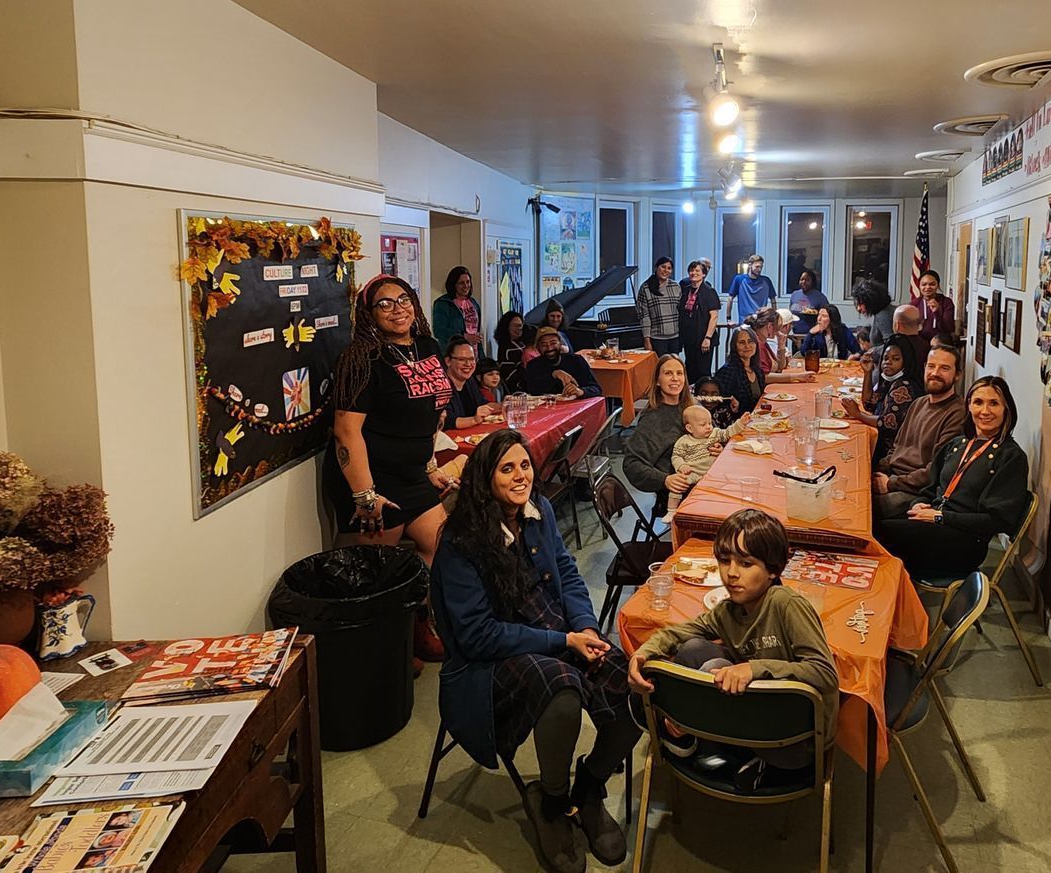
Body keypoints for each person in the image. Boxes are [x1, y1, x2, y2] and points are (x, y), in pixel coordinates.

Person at [430, 430, 637, 872]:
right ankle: (552, 801)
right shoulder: (461, 541)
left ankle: (589, 786)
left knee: (634, 682)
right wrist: (563, 641)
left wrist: (584, 626)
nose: (520, 475)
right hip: (490, 661)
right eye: (507, 468)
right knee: (561, 690)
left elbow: (567, 572)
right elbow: (477, 636)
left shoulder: (537, 509)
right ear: (484, 478)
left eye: (524, 465)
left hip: (553, 630)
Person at [629, 509, 838, 789]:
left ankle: (707, 742)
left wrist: (754, 668)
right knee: (693, 649)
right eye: (725, 560)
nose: (731, 573)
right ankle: (690, 731)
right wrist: (642, 653)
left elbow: (825, 673)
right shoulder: (728, 611)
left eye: (746, 563)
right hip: (757, 720)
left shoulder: (786, 604)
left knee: (712, 668)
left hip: (797, 740)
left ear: (773, 570)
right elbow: (681, 632)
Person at [330, 275, 456, 661]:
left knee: (441, 546)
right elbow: (346, 432)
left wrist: (429, 464)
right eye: (384, 304)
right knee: (380, 571)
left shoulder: (427, 346)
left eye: (404, 300)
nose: (397, 309)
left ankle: (416, 622)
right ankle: (387, 649)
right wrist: (365, 496)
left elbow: (431, 413)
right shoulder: (362, 358)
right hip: (373, 478)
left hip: (412, 474)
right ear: (368, 313)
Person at [874, 376, 1031, 582]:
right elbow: (930, 489)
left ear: (1007, 409)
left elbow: (997, 520)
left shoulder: (1011, 457)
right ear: (969, 406)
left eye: (994, 403)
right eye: (978, 402)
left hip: (965, 542)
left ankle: (892, 598)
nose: (985, 411)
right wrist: (918, 504)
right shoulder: (957, 444)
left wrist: (940, 517)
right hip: (934, 524)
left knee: (876, 535)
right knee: (869, 523)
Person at [857, 339, 968, 520]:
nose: (935, 373)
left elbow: (936, 470)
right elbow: (896, 447)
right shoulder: (919, 403)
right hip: (892, 477)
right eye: (931, 366)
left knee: (859, 506)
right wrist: (875, 471)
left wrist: (891, 483)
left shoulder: (958, 413)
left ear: (957, 375)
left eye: (944, 368)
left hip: (914, 492)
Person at [623, 354, 699, 516]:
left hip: (700, 477)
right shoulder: (652, 419)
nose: (675, 378)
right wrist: (665, 479)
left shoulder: (692, 407)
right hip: (678, 492)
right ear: (657, 381)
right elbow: (632, 464)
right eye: (668, 373)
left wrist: (714, 445)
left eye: (679, 373)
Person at [844, 337, 919, 458]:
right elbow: (869, 404)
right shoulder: (890, 381)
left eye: (896, 359)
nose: (888, 362)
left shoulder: (903, 386)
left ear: (906, 362)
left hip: (892, 452)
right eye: (885, 358)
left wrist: (858, 414)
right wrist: (867, 373)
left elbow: (888, 424)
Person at [668, 404, 744, 510]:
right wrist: (682, 466)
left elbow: (728, 433)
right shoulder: (684, 442)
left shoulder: (714, 434)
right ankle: (671, 509)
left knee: (730, 479)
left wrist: (741, 423)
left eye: (710, 423)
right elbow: (676, 456)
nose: (708, 427)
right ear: (690, 428)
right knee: (679, 483)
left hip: (714, 472)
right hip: (693, 472)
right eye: (703, 425)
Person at [520, 327, 602, 400]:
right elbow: (532, 390)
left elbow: (596, 389)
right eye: (544, 345)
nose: (549, 348)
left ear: (560, 344)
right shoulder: (533, 365)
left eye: (553, 343)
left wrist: (581, 391)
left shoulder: (576, 361)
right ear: (538, 348)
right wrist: (553, 375)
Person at [441, 339, 504, 430]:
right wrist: (474, 420)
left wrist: (504, 405)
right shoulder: (441, 385)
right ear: (448, 361)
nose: (468, 364)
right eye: (462, 359)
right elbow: (447, 422)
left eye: (471, 359)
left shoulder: (470, 381)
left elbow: (484, 405)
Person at [677, 259, 721, 379]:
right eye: (691, 270)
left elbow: (714, 317)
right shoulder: (686, 290)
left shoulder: (709, 291)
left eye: (697, 271)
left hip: (703, 337)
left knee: (703, 370)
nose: (694, 273)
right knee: (690, 369)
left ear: (704, 274)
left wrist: (707, 338)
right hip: (689, 337)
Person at [636, 256, 681, 356]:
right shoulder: (645, 288)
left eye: (669, 268)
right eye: (663, 267)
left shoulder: (676, 286)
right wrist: (647, 340)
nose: (666, 270)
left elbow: (681, 311)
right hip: (656, 339)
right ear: (656, 267)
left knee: (674, 364)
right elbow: (644, 316)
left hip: (675, 338)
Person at [431, 266, 485, 349]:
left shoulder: (473, 303)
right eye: (461, 283)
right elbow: (439, 331)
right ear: (454, 284)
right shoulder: (443, 304)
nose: (466, 286)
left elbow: (476, 332)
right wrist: (463, 336)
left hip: (473, 351)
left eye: (468, 282)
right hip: (453, 351)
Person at [723, 254, 777, 324]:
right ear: (750, 265)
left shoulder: (766, 281)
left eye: (761, 267)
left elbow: (773, 300)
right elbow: (730, 299)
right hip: (745, 321)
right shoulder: (739, 280)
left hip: (761, 321)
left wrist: (774, 319)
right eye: (757, 267)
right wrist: (728, 319)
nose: (759, 269)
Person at [788, 269, 830, 348]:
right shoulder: (795, 295)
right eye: (802, 279)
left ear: (813, 282)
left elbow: (827, 316)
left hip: (813, 337)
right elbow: (790, 313)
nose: (803, 282)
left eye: (807, 280)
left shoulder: (820, 297)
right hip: (796, 337)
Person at [912, 270, 956, 344]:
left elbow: (948, 329)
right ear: (919, 286)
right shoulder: (914, 304)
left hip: (941, 343)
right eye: (924, 284)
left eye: (932, 284)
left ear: (938, 285)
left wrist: (937, 312)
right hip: (920, 343)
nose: (927, 287)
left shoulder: (946, 302)